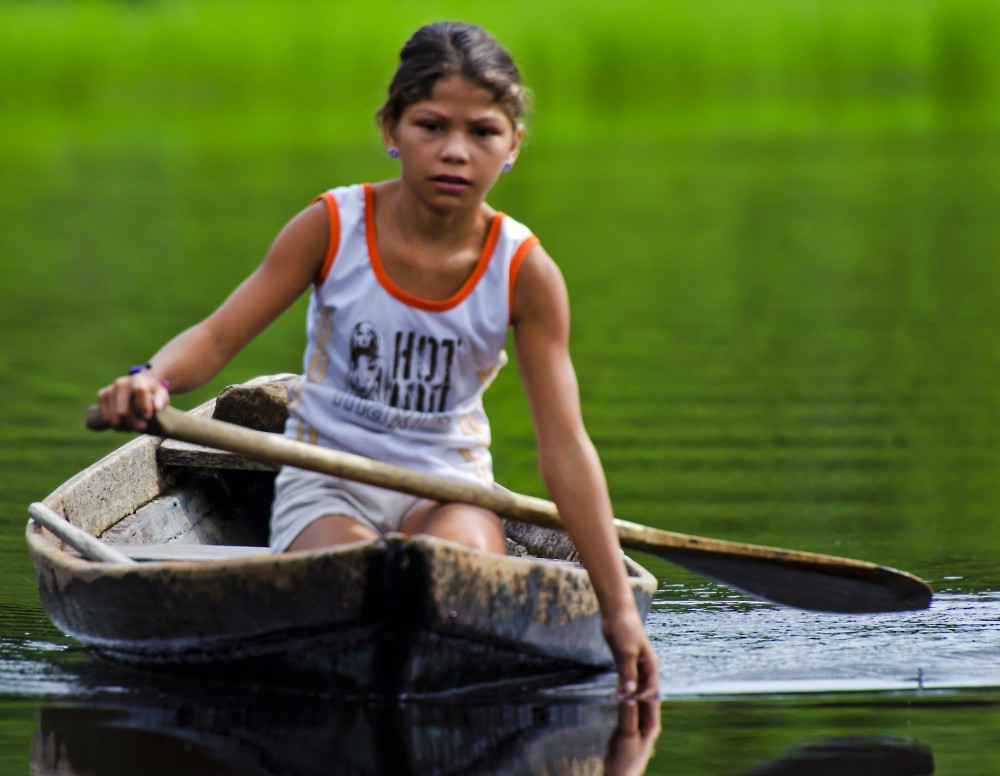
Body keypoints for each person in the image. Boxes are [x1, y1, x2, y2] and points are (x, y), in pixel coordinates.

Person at [96, 20, 659, 699]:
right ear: (391, 130)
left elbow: (565, 450)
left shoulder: (524, 272)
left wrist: (618, 609)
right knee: (352, 576)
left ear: (513, 145)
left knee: (453, 569)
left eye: (482, 131)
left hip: (448, 487)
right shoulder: (333, 227)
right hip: (326, 481)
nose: (456, 151)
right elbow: (216, 339)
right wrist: (148, 381)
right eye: (431, 126)